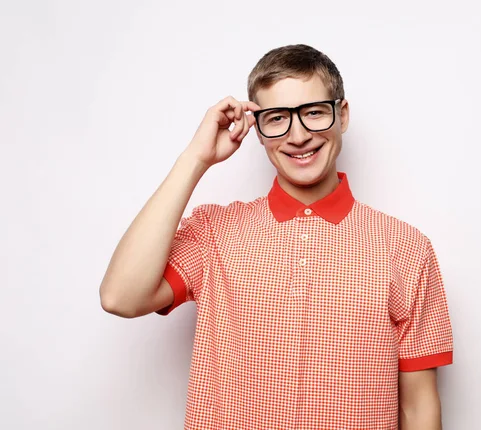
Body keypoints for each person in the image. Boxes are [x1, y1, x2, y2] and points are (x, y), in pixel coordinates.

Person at [99, 44, 454, 429]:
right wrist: (195, 159)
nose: (298, 135)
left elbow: (418, 407)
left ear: (343, 114)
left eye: (314, 112)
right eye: (277, 119)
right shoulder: (214, 233)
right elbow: (121, 297)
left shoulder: (406, 248)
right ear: (257, 129)